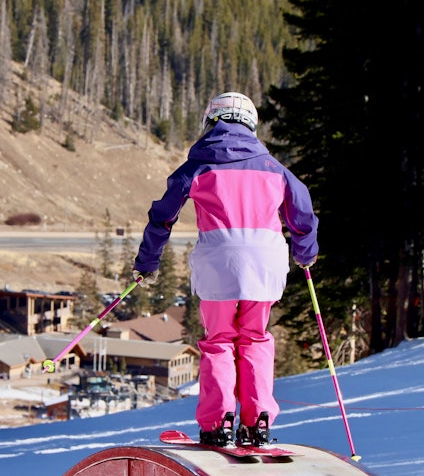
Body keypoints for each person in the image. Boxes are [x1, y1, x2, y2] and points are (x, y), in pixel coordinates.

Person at [133, 92, 319, 447]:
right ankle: (258, 422)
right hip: (265, 265)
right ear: (250, 124)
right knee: (255, 337)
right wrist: (305, 253)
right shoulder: (273, 169)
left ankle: (217, 424)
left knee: (219, 342)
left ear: (210, 122)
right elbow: (303, 211)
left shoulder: (199, 165)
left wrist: (147, 262)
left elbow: (162, 217)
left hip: (218, 264)